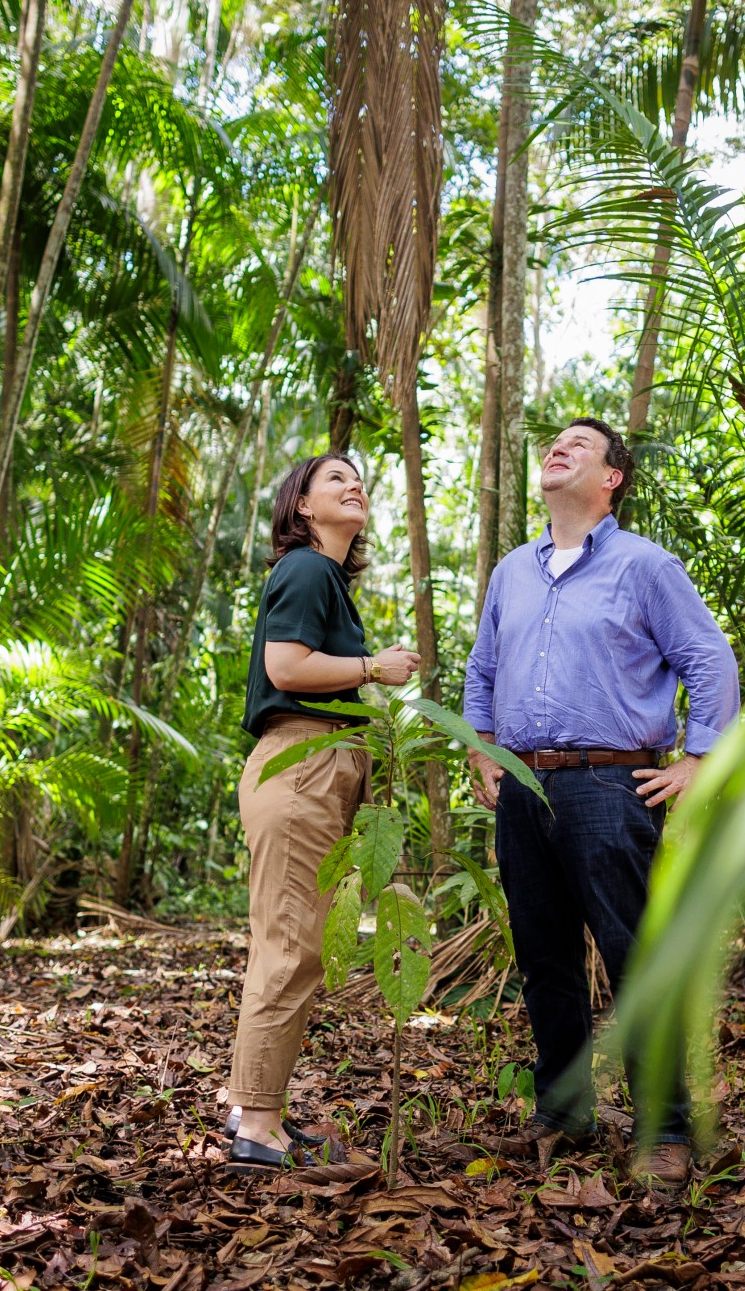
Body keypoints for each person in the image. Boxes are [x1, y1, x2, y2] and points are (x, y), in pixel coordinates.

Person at [463, 416, 740, 1189]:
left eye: (578, 445)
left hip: (609, 784)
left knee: (633, 955)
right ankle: (563, 1114)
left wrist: (698, 759)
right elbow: (483, 666)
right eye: (552, 442)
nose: (557, 447)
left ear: (611, 477)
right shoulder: (512, 571)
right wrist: (480, 748)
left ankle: (665, 1128)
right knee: (544, 957)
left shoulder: (645, 566)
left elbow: (709, 659)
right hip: (522, 786)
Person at [224, 452, 419, 1173]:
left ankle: (260, 1114)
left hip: (316, 771)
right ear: (302, 506)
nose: (352, 485)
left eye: (356, 477)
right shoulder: (306, 569)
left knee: (295, 943)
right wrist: (374, 669)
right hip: (300, 767)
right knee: (290, 946)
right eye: (333, 479)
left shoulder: (325, 580)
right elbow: (286, 668)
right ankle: (258, 1128)